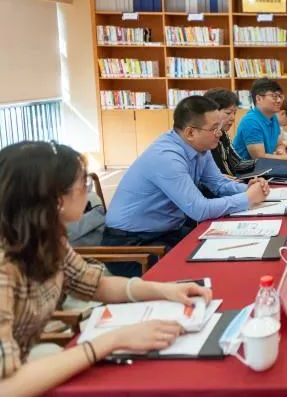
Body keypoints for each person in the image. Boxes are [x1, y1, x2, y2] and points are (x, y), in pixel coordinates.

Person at [0, 141, 212, 395]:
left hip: (23, 360)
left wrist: (163, 290)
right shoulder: (5, 268)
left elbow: (94, 284)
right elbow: (6, 386)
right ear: (57, 200)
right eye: (83, 184)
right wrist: (112, 341)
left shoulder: (45, 238)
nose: (88, 191)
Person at [103, 96, 269, 277]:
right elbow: (199, 209)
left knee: (228, 250)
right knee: (203, 271)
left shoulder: (200, 147)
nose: (220, 134)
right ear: (190, 132)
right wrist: (247, 198)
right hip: (132, 245)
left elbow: (219, 184)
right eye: (214, 129)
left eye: (219, 127)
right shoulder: (167, 157)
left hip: (167, 231)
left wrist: (248, 189)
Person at [233, 79, 287, 162]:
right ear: (259, 99)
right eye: (274, 96)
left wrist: (282, 153)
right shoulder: (251, 122)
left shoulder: (273, 118)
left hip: (264, 167)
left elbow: (279, 144)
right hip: (246, 169)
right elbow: (260, 158)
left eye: (280, 96)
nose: (279, 100)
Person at [204, 88, 255, 178]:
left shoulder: (223, 134)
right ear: (211, 112)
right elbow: (208, 176)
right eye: (228, 113)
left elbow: (237, 163)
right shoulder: (203, 140)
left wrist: (261, 165)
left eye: (234, 113)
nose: (233, 118)